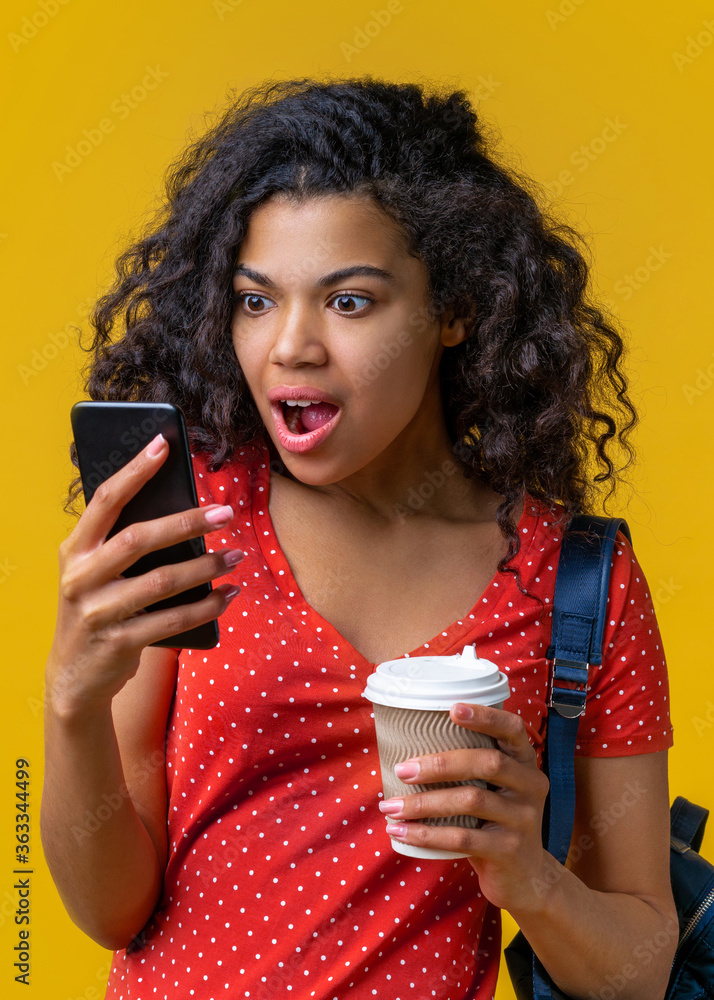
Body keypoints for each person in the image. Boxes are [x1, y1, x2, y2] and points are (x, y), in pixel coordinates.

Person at [40, 77, 677, 1000]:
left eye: (348, 302)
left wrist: (528, 877)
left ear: (453, 311)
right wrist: (72, 707)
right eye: (257, 301)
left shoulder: (577, 581)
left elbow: (641, 968)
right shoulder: (195, 523)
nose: (289, 346)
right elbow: (112, 912)